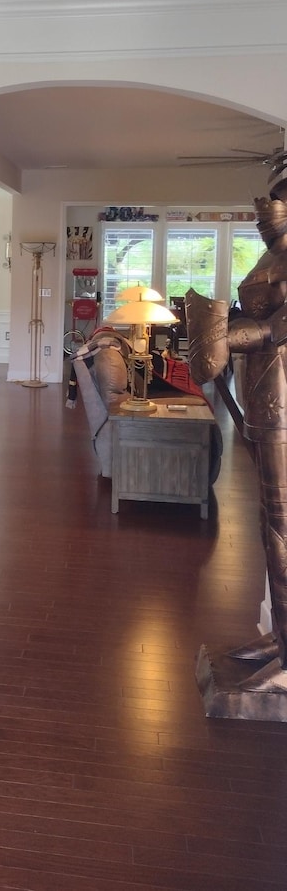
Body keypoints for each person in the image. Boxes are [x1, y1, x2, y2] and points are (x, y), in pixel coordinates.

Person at [186, 154, 287, 693]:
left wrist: (226, 339)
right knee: (268, 519)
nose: (267, 213)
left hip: (282, 396)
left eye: (278, 205)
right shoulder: (268, 260)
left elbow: (277, 329)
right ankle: (281, 636)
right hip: (259, 392)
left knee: (281, 518)